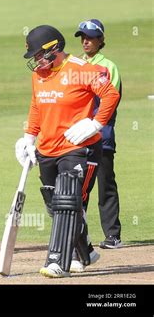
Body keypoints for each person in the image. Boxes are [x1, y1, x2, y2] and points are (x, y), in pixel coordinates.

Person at [15, 25, 120, 278]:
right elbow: (36, 107)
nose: (36, 61)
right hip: (47, 149)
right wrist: (28, 138)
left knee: (66, 204)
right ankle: (85, 251)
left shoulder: (81, 70)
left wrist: (95, 123)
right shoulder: (38, 75)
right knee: (55, 205)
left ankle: (57, 261)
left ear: (55, 48)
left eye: (39, 54)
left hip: (77, 148)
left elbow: (110, 94)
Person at [75, 19, 123, 249]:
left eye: (91, 37)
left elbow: (109, 102)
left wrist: (93, 125)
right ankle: (77, 234)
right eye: (83, 37)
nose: (86, 41)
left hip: (101, 137)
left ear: (101, 40)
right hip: (76, 139)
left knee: (105, 186)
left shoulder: (108, 67)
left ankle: (112, 235)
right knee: (78, 188)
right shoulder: (75, 66)